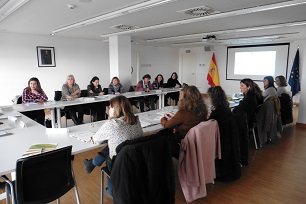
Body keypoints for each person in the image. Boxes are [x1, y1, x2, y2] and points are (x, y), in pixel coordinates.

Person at [83, 95, 143, 197]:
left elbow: (95, 140)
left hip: (119, 164)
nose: (108, 109)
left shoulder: (111, 124)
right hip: (136, 159)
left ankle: (111, 191)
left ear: (115, 109)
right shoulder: (136, 120)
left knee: (110, 151)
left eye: (110, 107)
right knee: (116, 146)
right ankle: (91, 164)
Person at [160, 85, 208, 158]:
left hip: (184, 140)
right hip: (197, 140)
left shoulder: (183, 112)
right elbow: (188, 119)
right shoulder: (203, 110)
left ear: (185, 98)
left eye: (180, 96)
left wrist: (162, 118)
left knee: (163, 136)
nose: (179, 98)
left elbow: (166, 125)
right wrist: (175, 117)